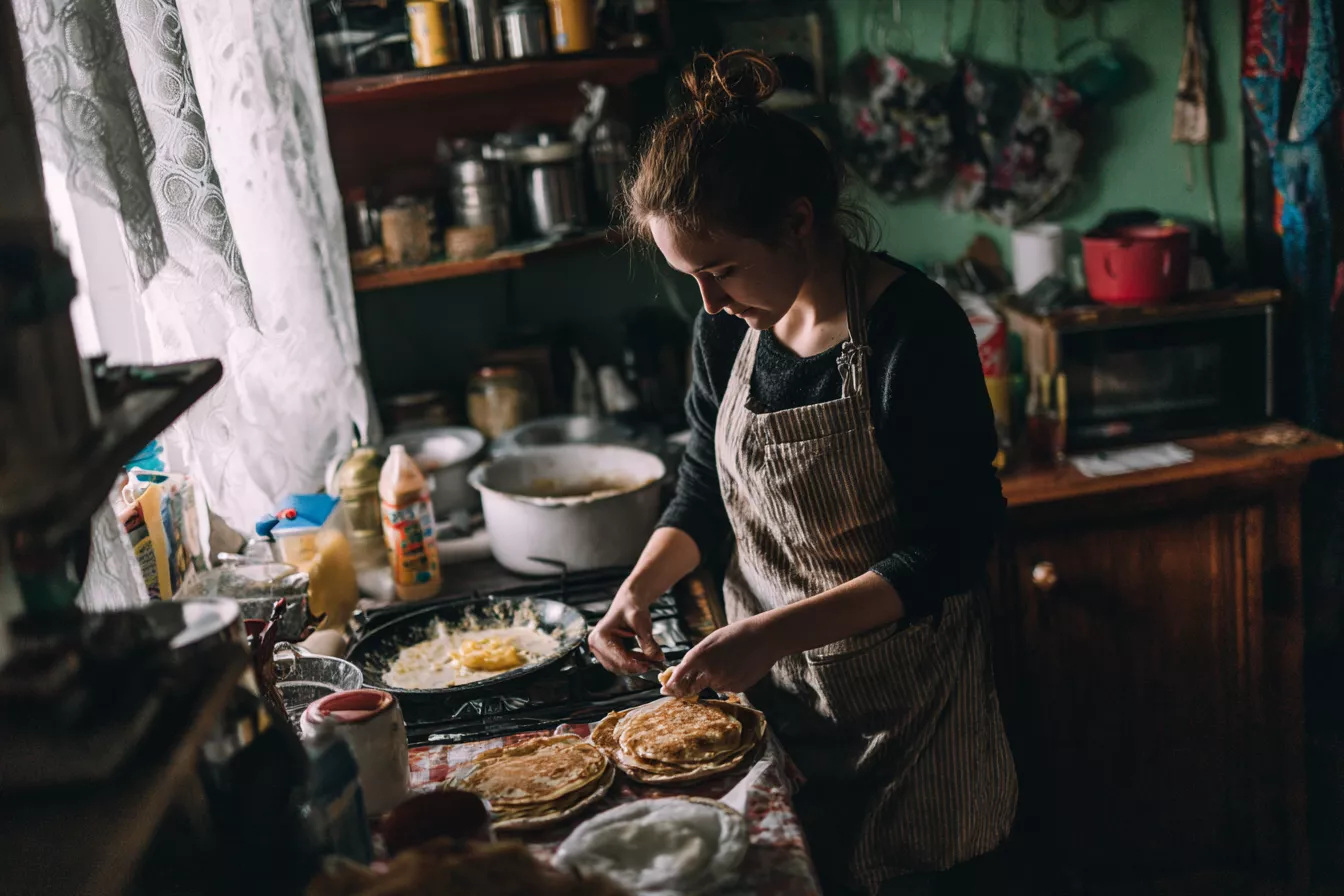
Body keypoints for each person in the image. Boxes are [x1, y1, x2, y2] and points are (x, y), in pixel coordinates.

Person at [587, 50, 1018, 895]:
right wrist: (639, 586)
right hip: (774, 709)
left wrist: (770, 633)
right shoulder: (729, 328)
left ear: (797, 220)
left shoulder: (912, 334)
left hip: (911, 726)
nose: (707, 302)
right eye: (691, 279)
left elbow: (952, 549)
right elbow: (706, 488)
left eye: (720, 271)